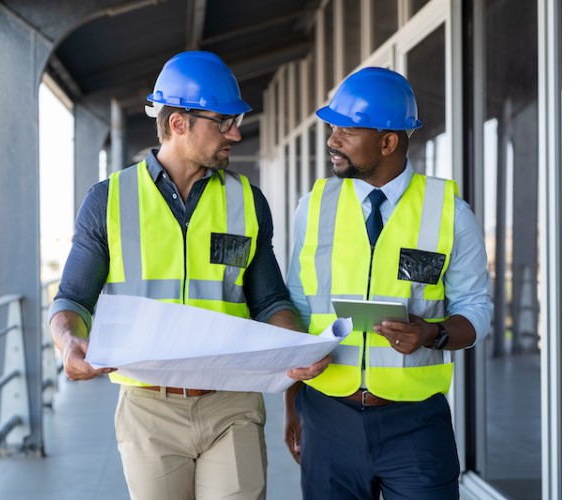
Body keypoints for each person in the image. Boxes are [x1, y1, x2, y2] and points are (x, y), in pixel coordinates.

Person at [49, 50, 329, 500]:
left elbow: (270, 299)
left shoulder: (248, 201)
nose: (236, 134)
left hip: (232, 403)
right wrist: (69, 342)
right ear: (178, 123)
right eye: (223, 122)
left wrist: (298, 347)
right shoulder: (109, 201)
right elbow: (72, 300)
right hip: (148, 410)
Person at [283, 67, 494, 499]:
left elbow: (476, 308)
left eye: (346, 129)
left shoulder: (450, 212)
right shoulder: (314, 206)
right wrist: (293, 406)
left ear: (388, 141)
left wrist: (433, 334)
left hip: (415, 425)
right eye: (331, 127)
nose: (332, 140)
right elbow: (298, 305)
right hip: (326, 415)